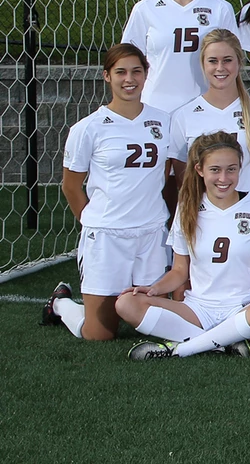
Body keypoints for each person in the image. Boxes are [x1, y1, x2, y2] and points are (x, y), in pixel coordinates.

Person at [44, 44, 173, 341]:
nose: (129, 79)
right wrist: (94, 223)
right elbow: (71, 186)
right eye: (121, 72)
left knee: (153, 323)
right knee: (98, 334)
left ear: (146, 74)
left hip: (151, 234)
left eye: (136, 71)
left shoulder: (165, 122)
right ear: (106, 76)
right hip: (106, 235)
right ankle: (61, 303)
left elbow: (166, 177)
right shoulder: (88, 128)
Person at [121, 132, 250, 359]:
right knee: (126, 303)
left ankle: (183, 348)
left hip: (245, 307)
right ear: (200, 170)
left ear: (240, 168)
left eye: (231, 169)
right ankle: (225, 343)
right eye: (215, 170)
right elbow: (180, 270)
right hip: (198, 310)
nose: (224, 178)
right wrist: (154, 289)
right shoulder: (188, 207)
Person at [121, 0, 239, 113]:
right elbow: (127, 62)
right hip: (156, 108)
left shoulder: (220, 8)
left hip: (206, 109)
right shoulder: (146, 8)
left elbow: (234, 62)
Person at [168, 29, 250, 204]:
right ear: (203, 64)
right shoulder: (184, 116)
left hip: (247, 220)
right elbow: (184, 180)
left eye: (227, 60)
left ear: (239, 62)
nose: (220, 68)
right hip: (202, 219)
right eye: (213, 61)